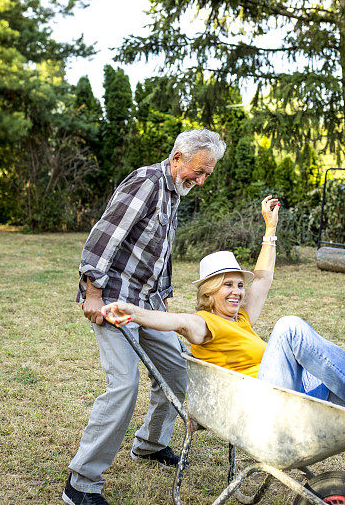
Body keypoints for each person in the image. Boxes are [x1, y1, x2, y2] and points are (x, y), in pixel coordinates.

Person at [101, 196, 345, 423]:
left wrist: (270, 230)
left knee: (322, 360)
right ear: (208, 292)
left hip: (278, 394)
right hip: (259, 409)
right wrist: (131, 310)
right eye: (228, 285)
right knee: (290, 327)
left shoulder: (243, 319)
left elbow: (262, 279)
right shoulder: (204, 324)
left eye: (239, 284)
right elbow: (171, 320)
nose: (237, 291)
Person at [63, 129, 227, 505]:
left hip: (149, 302)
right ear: (177, 158)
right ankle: (81, 483)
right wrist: (92, 290)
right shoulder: (147, 182)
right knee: (123, 385)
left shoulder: (174, 193)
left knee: (177, 373)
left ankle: (150, 445)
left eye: (206, 175)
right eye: (197, 172)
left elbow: (162, 250)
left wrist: (164, 297)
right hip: (114, 301)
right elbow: (104, 235)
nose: (200, 181)